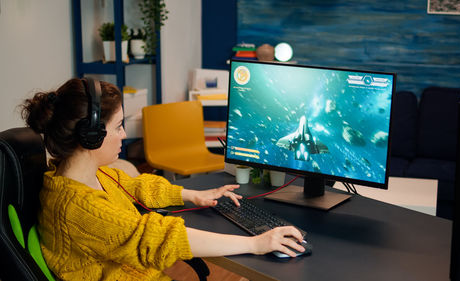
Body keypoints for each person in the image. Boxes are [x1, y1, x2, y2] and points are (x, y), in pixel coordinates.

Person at [21, 78, 305, 281]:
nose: (124, 135)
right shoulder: (78, 208)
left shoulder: (84, 174)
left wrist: (192, 195)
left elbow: (135, 185)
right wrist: (256, 244)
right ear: (90, 136)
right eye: (119, 126)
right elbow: (160, 238)